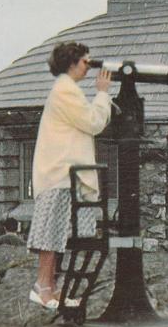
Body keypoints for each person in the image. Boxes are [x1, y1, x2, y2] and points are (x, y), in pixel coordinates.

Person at [26, 42, 111, 309]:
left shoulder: (65, 89)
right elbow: (94, 123)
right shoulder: (65, 91)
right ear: (71, 63)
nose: (89, 67)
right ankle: (43, 288)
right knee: (51, 234)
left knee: (60, 234)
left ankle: (51, 288)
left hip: (63, 173)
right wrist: (102, 95)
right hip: (60, 174)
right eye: (86, 62)